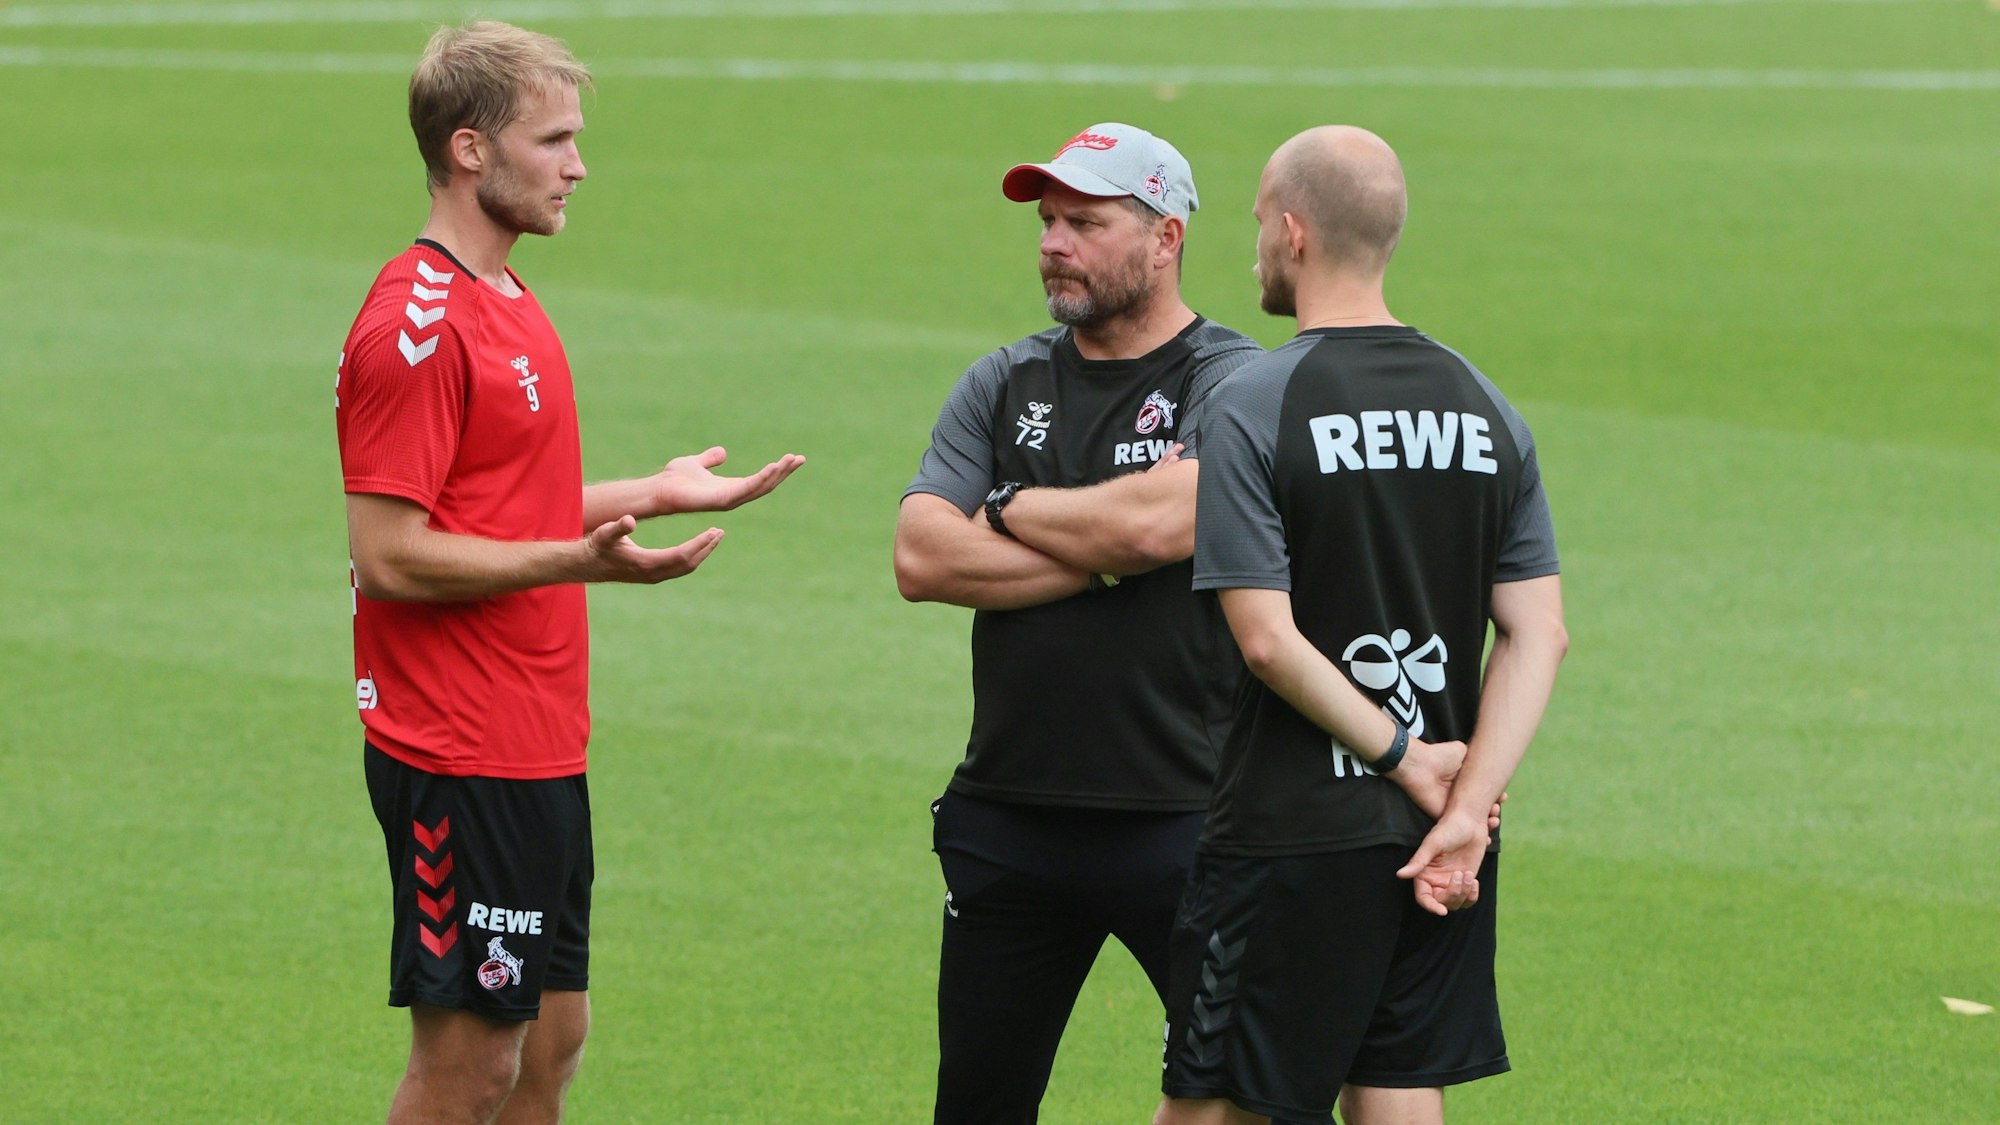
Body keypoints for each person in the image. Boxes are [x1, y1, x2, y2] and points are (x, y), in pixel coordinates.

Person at [335, 22, 803, 1124]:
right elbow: (389, 555)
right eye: (552, 140)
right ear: (467, 151)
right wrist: (585, 565)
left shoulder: (506, 300)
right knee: (469, 1070)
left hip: (539, 739)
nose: (577, 165)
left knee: (548, 1051)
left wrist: (646, 490)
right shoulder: (413, 327)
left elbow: (495, 507)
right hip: (457, 748)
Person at [1154, 126, 1568, 1125]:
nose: (1253, 242)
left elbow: (1263, 635)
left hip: (1294, 829)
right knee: (1392, 1084)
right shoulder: (1483, 405)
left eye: (1257, 219)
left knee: (1212, 1105)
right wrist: (1465, 806)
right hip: (1442, 837)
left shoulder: (1254, 400)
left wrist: (1400, 758)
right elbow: (1536, 633)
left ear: (1291, 233)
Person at [891, 122, 1286, 1124]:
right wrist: (1102, 555)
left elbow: (1167, 520)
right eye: (1047, 221)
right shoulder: (1002, 380)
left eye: (1085, 223)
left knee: (1249, 1100)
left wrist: (1013, 506)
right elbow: (922, 556)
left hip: (1187, 819)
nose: (1053, 244)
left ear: (1166, 237)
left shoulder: (1231, 379)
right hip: (1008, 816)